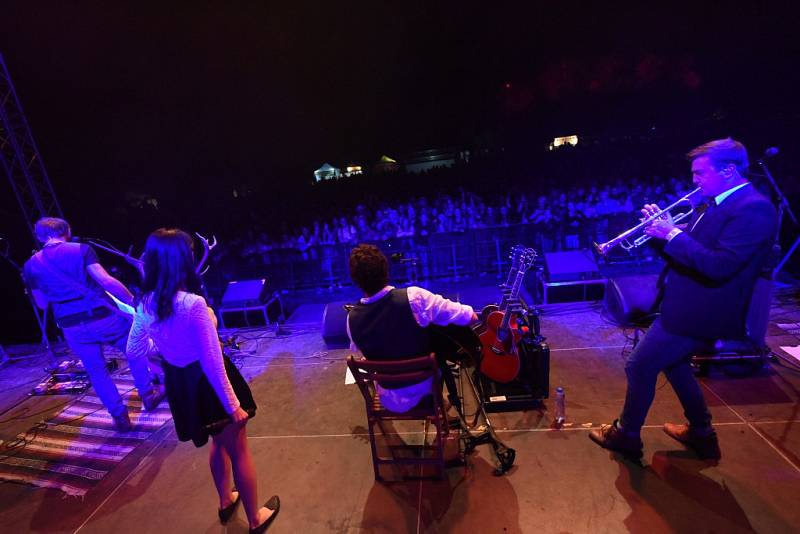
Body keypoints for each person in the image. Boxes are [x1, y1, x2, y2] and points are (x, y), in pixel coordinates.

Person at [590, 138, 778, 461]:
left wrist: (673, 234)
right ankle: (703, 434)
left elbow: (719, 266)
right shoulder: (713, 203)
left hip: (704, 310)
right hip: (687, 302)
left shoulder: (754, 208)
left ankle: (627, 435)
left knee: (639, 366)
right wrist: (657, 234)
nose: (694, 181)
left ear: (729, 170)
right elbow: (688, 255)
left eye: (700, 173)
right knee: (675, 365)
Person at [126, 229, 279, 533]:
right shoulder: (192, 304)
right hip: (211, 386)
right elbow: (211, 360)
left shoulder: (145, 302)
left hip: (181, 384)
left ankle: (225, 501)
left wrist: (166, 354)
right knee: (238, 449)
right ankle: (254, 520)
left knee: (216, 441)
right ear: (183, 259)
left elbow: (134, 350)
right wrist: (232, 405)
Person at [23, 217, 164, 431]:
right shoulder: (80, 249)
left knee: (96, 371)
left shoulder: (31, 265)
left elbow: (42, 304)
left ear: (40, 237)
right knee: (134, 350)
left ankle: (120, 418)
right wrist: (132, 301)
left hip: (71, 325)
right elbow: (106, 281)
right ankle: (148, 394)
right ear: (67, 231)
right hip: (103, 316)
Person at [346, 244, 478, 413]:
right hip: (426, 391)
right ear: (386, 270)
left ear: (355, 281)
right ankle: (442, 405)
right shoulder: (414, 297)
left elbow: (363, 356)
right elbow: (468, 317)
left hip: (390, 400)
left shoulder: (351, 319)